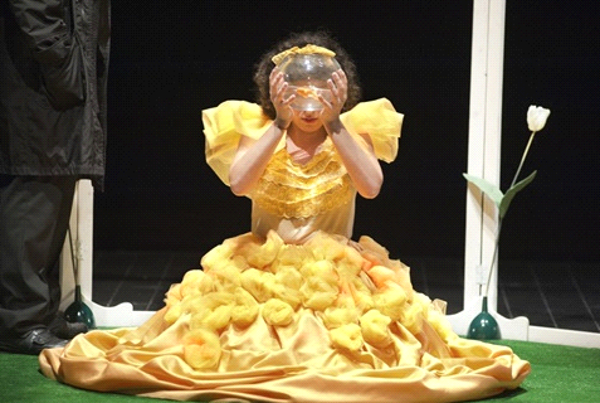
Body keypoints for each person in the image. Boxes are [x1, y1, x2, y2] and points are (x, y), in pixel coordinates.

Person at [39, 31, 530, 402]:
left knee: (343, 347)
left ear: (339, 92)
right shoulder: (260, 130)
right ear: (278, 92)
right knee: (233, 340)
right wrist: (278, 121)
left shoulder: (350, 132)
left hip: (335, 270)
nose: (309, 105)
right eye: (298, 93)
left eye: (321, 93)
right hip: (261, 266)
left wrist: (336, 124)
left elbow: (371, 186)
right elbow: (239, 183)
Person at [0, 0, 111, 354]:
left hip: (56, 78)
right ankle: (20, 321)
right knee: (33, 190)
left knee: (53, 188)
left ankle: (41, 314)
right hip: (38, 80)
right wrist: (63, 61)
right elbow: (34, 9)